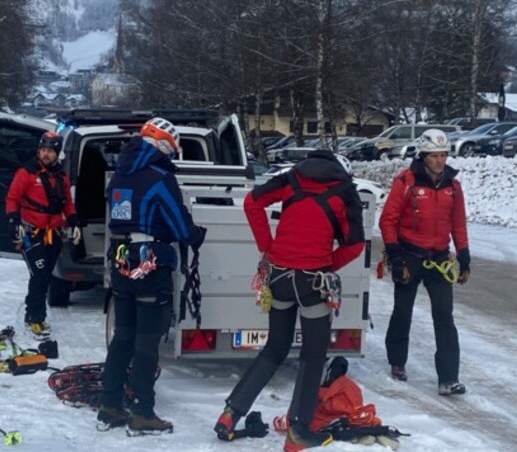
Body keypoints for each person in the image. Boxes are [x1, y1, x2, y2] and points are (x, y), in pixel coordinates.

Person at [214, 151, 365, 450]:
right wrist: (327, 265)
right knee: (312, 355)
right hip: (312, 281)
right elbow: (356, 244)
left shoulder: (292, 177)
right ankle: (299, 431)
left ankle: (230, 414)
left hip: (279, 277)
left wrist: (268, 249)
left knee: (275, 348)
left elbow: (252, 202)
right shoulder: (345, 191)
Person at [97, 117, 206, 435]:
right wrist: (196, 234)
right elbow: (179, 227)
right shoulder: (160, 177)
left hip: (120, 258)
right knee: (147, 342)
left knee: (123, 337)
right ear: (163, 145)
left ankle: (110, 406)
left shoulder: (119, 176)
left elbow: (120, 218)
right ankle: (143, 412)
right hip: (150, 263)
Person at [379, 128, 470, 396]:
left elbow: (458, 224)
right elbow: (388, 221)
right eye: (434, 156)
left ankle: (448, 378)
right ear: (423, 156)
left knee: (444, 317)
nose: (440, 161)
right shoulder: (405, 182)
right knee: (402, 312)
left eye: (443, 155)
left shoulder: (453, 187)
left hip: (439, 259)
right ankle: (397, 362)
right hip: (409, 255)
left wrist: (464, 258)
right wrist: (395, 258)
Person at [5, 131, 80, 338]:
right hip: (31, 233)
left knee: (46, 275)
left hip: (53, 233)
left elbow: (68, 203)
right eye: (43, 150)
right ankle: (35, 316)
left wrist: (73, 222)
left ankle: (34, 312)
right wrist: (14, 221)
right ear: (38, 151)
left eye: (51, 151)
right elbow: (12, 198)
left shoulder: (61, 177)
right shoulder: (26, 173)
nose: (46, 155)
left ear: (57, 154)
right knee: (39, 275)